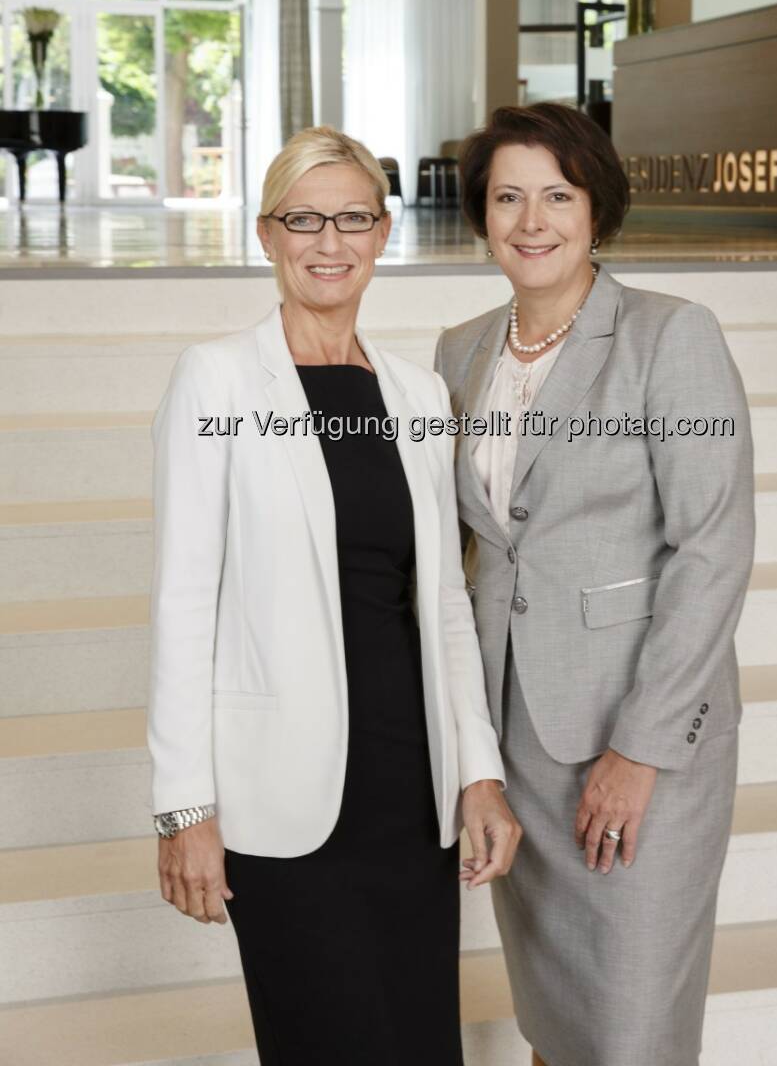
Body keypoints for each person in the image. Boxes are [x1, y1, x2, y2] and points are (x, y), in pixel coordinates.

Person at [147, 124, 521, 1066]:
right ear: (267, 235)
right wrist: (183, 806)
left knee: (420, 1040)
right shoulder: (217, 379)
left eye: (353, 217)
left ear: (384, 233)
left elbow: (442, 600)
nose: (330, 241)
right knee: (326, 1039)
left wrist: (479, 768)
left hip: (411, 779)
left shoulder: (418, 394)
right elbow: (184, 602)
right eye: (304, 219)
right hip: (281, 791)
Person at [434, 102, 756, 1066]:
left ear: (597, 211)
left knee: (631, 1031)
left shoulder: (670, 337)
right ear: (482, 217)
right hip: (515, 739)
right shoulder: (461, 350)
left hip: (634, 736)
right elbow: (464, 551)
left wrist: (642, 749)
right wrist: (466, 749)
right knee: (556, 1016)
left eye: (557, 196)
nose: (532, 221)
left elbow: (713, 547)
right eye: (508, 198)